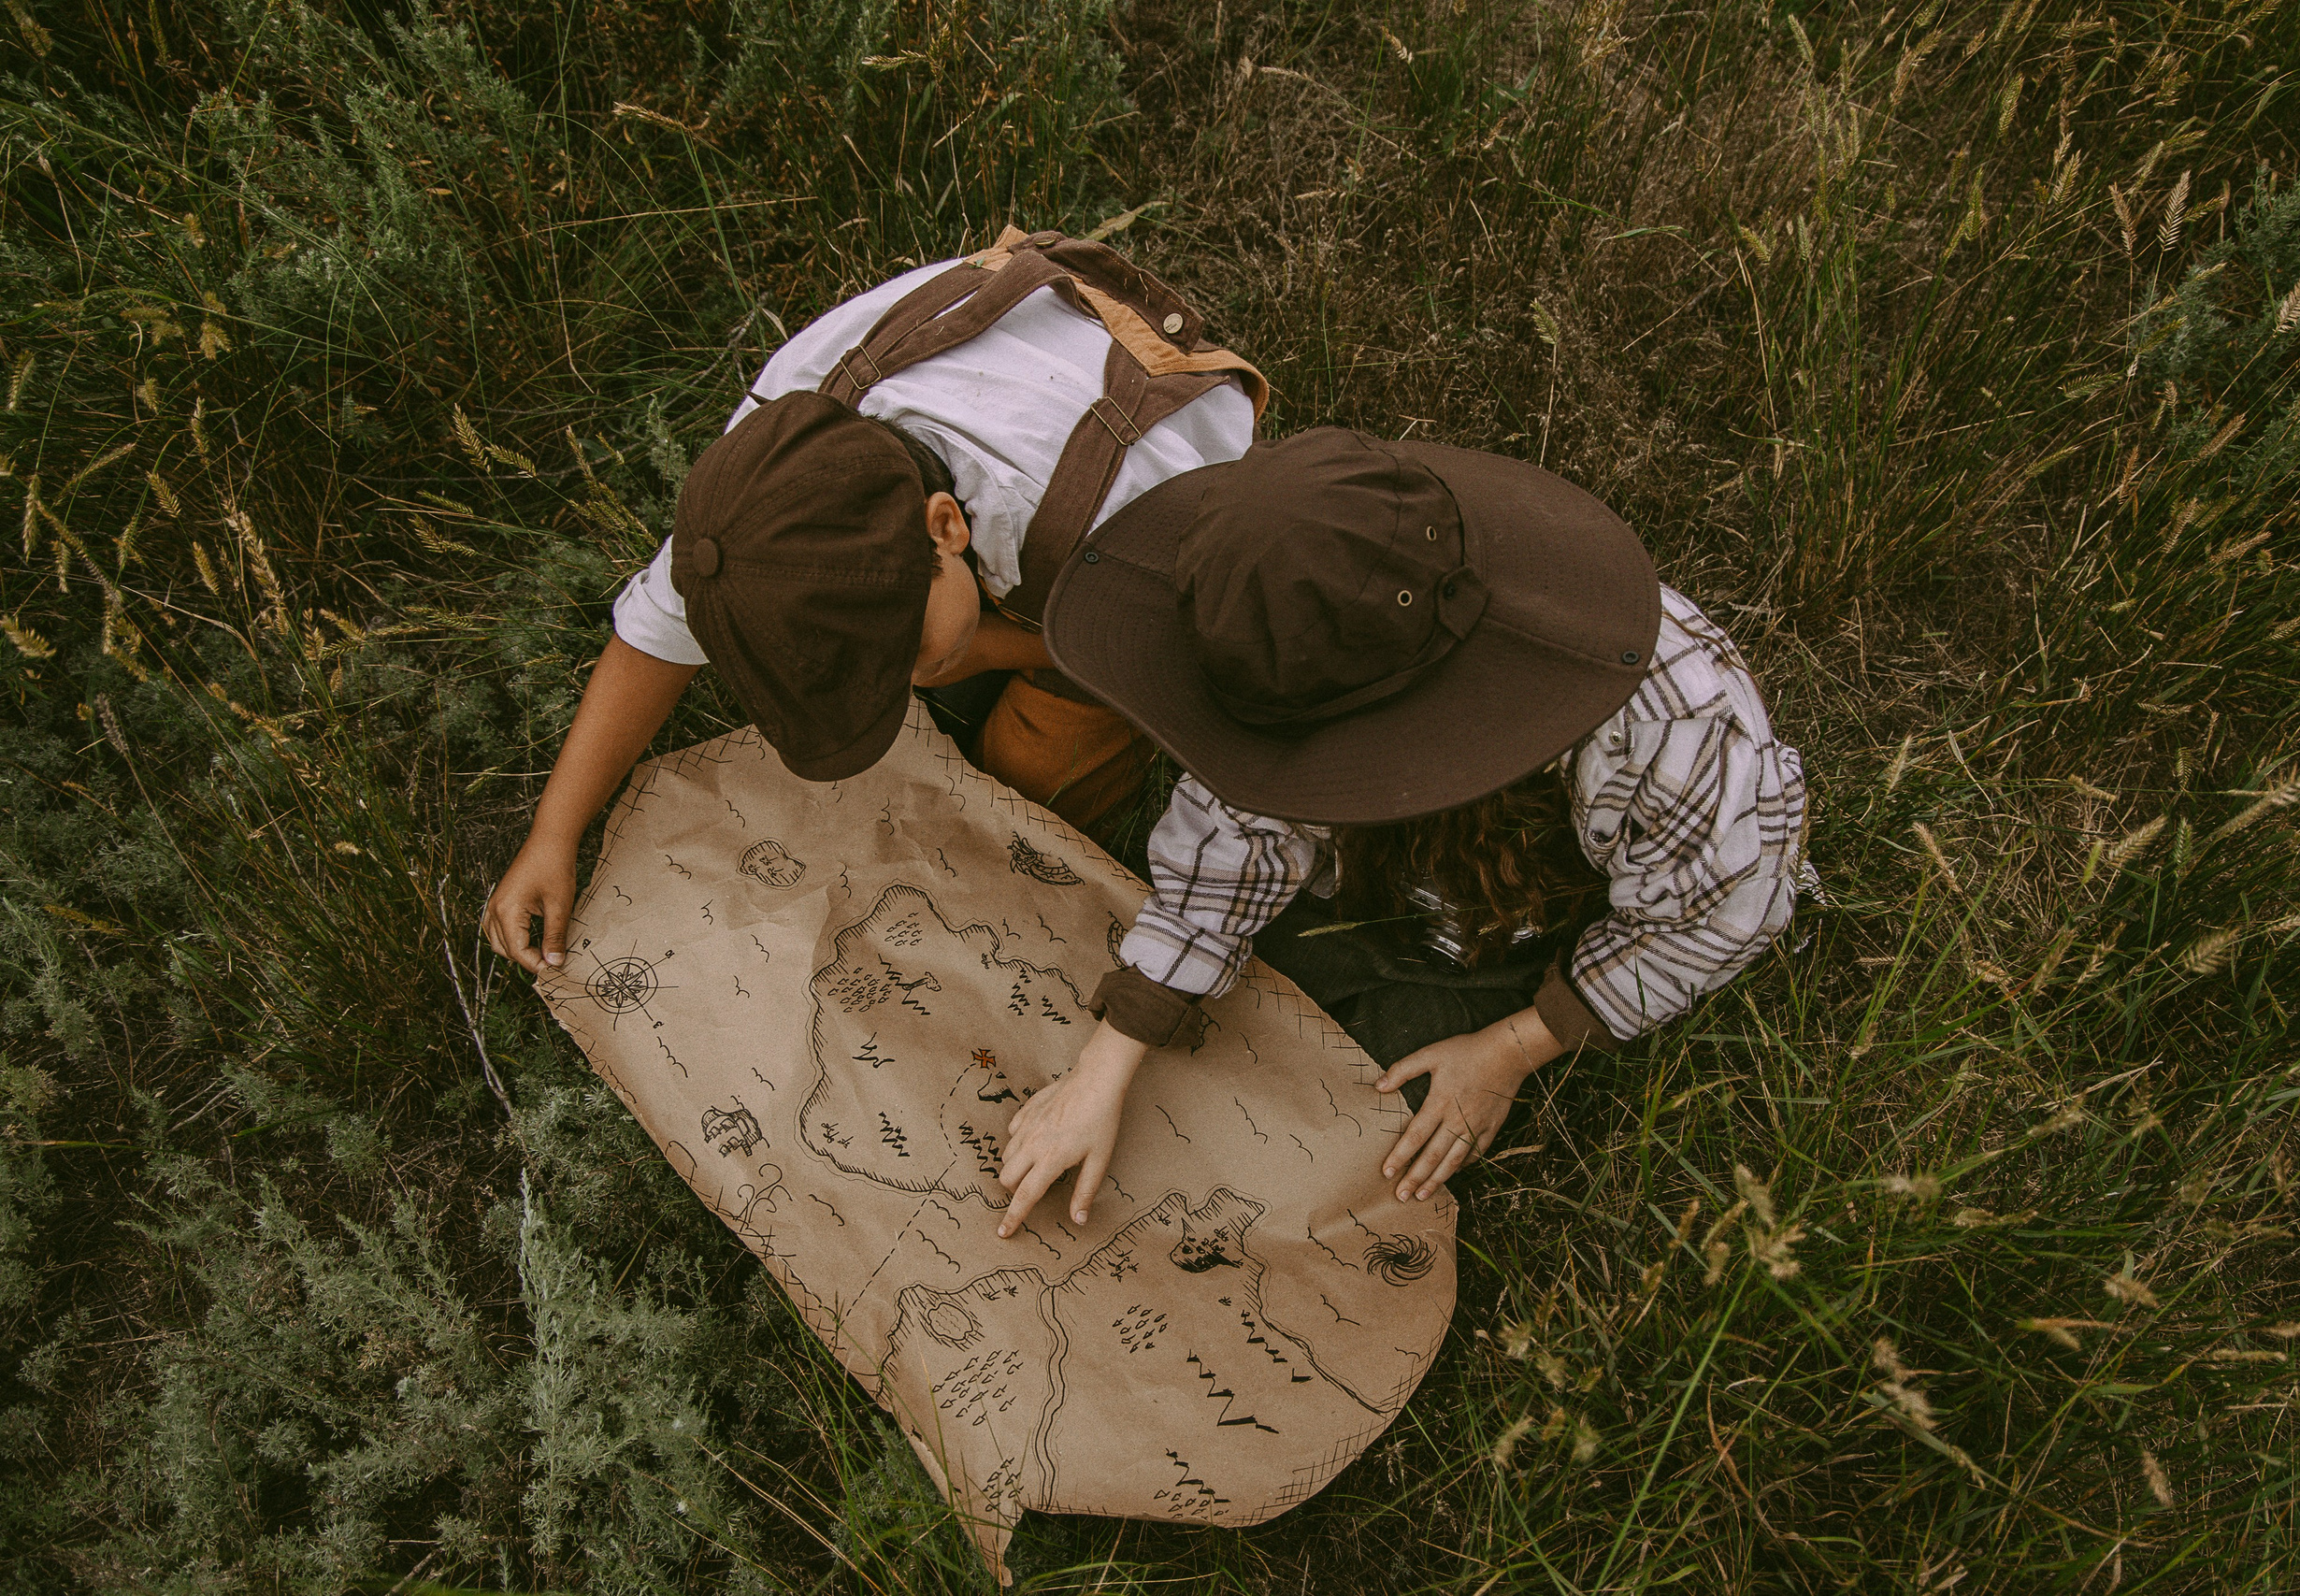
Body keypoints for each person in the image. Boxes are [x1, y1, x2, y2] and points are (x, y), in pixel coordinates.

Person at [990, 427, 1807, 1236]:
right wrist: (1105, 1065)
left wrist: (1511, 1049)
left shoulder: (1675, 727)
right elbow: (1236, 826)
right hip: (1368, 880)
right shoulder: (1287, 639)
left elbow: (1721, 907)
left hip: (1522, 928)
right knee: (1202, 1017)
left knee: (1370, 1122)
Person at [482, 230, 1266, 973]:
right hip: (1008, 437)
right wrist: (555, 832)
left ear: (945, 526)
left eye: (907, 654)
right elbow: (653, 638)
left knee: (1033, 774)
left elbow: (1179, 649)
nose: (906, 682)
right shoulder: (766, 490)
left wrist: (992, 648)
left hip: (1148, 456)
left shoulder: (1123, 517)